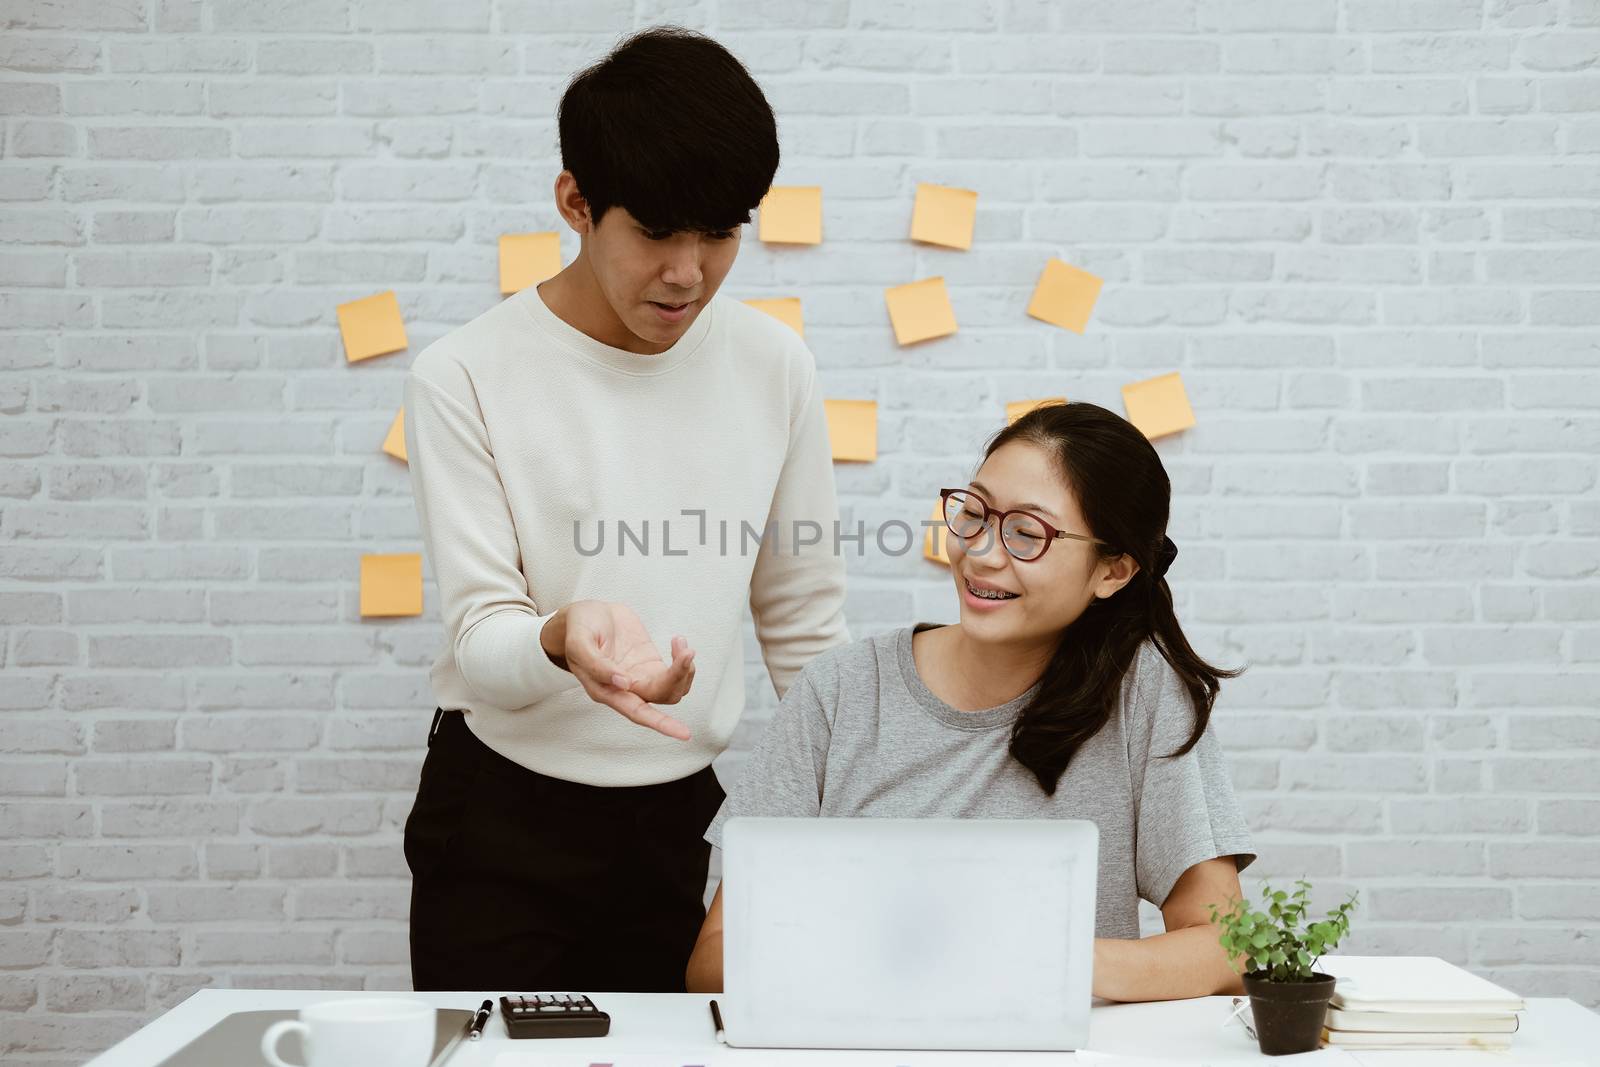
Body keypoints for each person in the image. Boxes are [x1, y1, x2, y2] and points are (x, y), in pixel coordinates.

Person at [401, 27, 849, 994]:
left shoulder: (777, 367)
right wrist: (561, 635)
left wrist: (868, 798)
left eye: (721, 232)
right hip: (497, 823)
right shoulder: (463, 376)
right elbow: (482, 637)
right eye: (654, 231)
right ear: (576, 202)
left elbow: (805, 619)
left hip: (672, 821)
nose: (688, 272)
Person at [686, 401, 1257, 1002]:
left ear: (1112, 571)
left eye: (1027, 534)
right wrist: (900, 960)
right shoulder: (840, 691)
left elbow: (1226, 946)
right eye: (975, 513)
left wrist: (1044, 960)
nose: (983, 553)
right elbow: (714, 959)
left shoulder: (1142, 698)